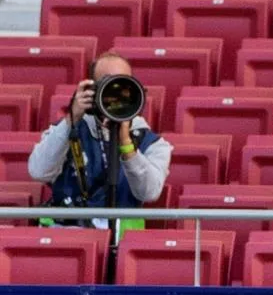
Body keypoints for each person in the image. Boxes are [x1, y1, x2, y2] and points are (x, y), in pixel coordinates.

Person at [27, 51, 172, 227]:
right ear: (91, 90)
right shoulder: (67, 131)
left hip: (123, 241)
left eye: (122, 83)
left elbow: (149, 193)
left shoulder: (152, 143)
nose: (116, 91)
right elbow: (38, 171)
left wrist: (126, 144)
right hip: (70, 235)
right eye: (108, 83)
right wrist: (70, 121)